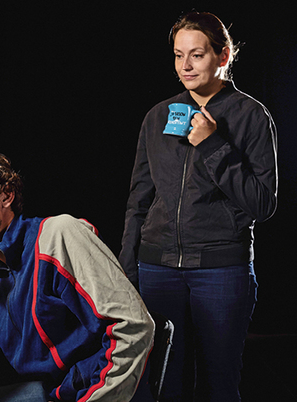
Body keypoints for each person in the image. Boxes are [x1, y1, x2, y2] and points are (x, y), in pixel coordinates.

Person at [0, 140, 155, 402]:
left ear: (6, 196)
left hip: (93, 391)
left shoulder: (58, 236)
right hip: (52, 392)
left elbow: (133, 328)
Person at [119, 11, 278, 402]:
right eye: (178, 55)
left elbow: (262, 203)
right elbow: (139, 198)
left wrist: (212, 144)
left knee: (218, 385)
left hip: (220, 270)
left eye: (197, 55)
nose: (185, 66)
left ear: (223, 56)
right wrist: (127, 265)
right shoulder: (157, 116)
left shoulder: (251, 115)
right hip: (157, 268)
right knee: (161, 383)